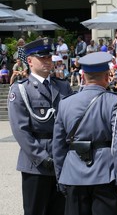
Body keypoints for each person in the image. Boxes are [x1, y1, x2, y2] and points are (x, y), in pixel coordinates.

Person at [52, 52, 117, 215]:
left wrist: (61, 176)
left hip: (73, 174)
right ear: (106, 76)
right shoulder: (115, 101)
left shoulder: (65, 103)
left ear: (83, 76)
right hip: (105, 174)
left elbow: (58, 145)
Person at [8, 37, 73, 215]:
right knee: (36, 211)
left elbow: (73, 121)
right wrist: (42, 158)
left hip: (62, 160)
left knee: (61, 210)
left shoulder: (63, 87)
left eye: (49, 57)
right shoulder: (21, 90)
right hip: (35, 164)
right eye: (42, 57)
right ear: (29, 61)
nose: (47, 61)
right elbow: (20, 130)